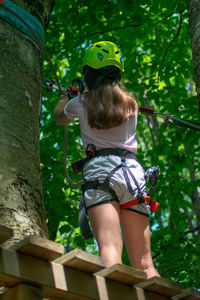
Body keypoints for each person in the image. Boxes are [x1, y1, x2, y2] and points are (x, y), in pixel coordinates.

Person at [54, 41, 160, 279]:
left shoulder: (78, 104)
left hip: (101, 174)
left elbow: (60, 117)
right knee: (145, 265)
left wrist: (68, 95)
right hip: (133, 176)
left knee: (111, 254)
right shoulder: (130, 104)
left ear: (89, 74)